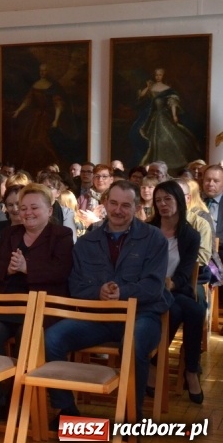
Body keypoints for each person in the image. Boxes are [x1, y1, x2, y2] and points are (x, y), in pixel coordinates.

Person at [45, 180, 169, 424]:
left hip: (142, 315)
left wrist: (122, 292)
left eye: (125, 205)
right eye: (113, 203)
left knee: (133, 344)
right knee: (51, 338)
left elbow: (154, 287)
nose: (118, 210)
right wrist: (97, 292)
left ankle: (132, 418)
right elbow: (76, 286)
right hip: (99, 317)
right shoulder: (86, 242)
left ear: (136, 207)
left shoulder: (154, 238)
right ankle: (66, 410)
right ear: (105, 204)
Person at [0, 183, 74, 423]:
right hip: (9, 303)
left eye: (34, 207)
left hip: (43, 305)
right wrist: (9, 269)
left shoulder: (61, 235)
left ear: (49, 210)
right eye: (23, 208)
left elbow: (61, 271)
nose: (27, 213)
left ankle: (19, 395)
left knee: (27, 333)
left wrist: (27, 268)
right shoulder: (9, 234)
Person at [147, 181, 204, 403]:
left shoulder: (190, 235)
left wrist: (169, 284)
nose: (162, 204)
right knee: (177, 311)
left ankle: (190, 370)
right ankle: (156, 364)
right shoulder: (147, 230)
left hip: (175, 288)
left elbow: (184, 273)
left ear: (179, 201)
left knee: (195, 310)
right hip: (150, 289)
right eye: (158, 200)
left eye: (167, 199)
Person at [9, 63, 79, 173]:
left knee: (44, 142)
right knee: (30, 140)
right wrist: (18, 111)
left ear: (48, 72)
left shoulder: (52, 86)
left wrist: (55, 120)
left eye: (45, 70)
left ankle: (53, 167)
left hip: (48, 117)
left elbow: (58, 104)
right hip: (36, 117)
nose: (42, 73)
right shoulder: (35, 85)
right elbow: (28, 100)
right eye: (41, 70)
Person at [134, 68, 202, 173]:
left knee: (167, 138)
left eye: (160, 75)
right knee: (153, 140)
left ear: (163, 76)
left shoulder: (168, 89)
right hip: (153, 117)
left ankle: (172, 164)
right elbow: (141, 96)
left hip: (164, 116)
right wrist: (148, 87)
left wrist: (174, 115)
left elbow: (172, 102)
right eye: (156, 75)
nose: (158, 77)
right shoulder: (151, 87)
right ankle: (154, 164)